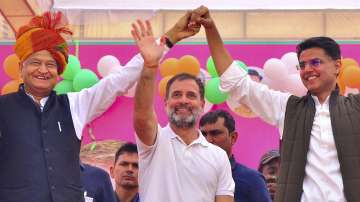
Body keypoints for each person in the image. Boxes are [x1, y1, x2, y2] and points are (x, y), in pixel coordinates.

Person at [0, 11, 192, 202]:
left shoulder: (74, 105)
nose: (43, 70)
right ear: (20, 69)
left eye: (50, 64)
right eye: (35, 63)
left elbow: (118, 81)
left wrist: (170, 37)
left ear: (58, 72)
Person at [190, 5, 360, 202]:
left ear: (337, 66)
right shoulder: (287, 108)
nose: (307, 70)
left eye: (315, 62)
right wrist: (211, 30)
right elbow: (237, 83)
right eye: (302, 65)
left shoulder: (355, 108)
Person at [131, 18, 235, 202]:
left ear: (202, 104)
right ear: (166, 103)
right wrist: (150, 66)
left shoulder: (218, 156)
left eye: (191, 95)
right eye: (177, 95)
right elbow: (142, 114)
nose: (183, 101)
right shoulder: (154, 143)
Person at [200, 109, 271, 202]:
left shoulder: (252, 180)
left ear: (233, 137)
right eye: (203, 134)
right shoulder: (189, 174)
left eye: (215, 133)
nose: (208, 140)